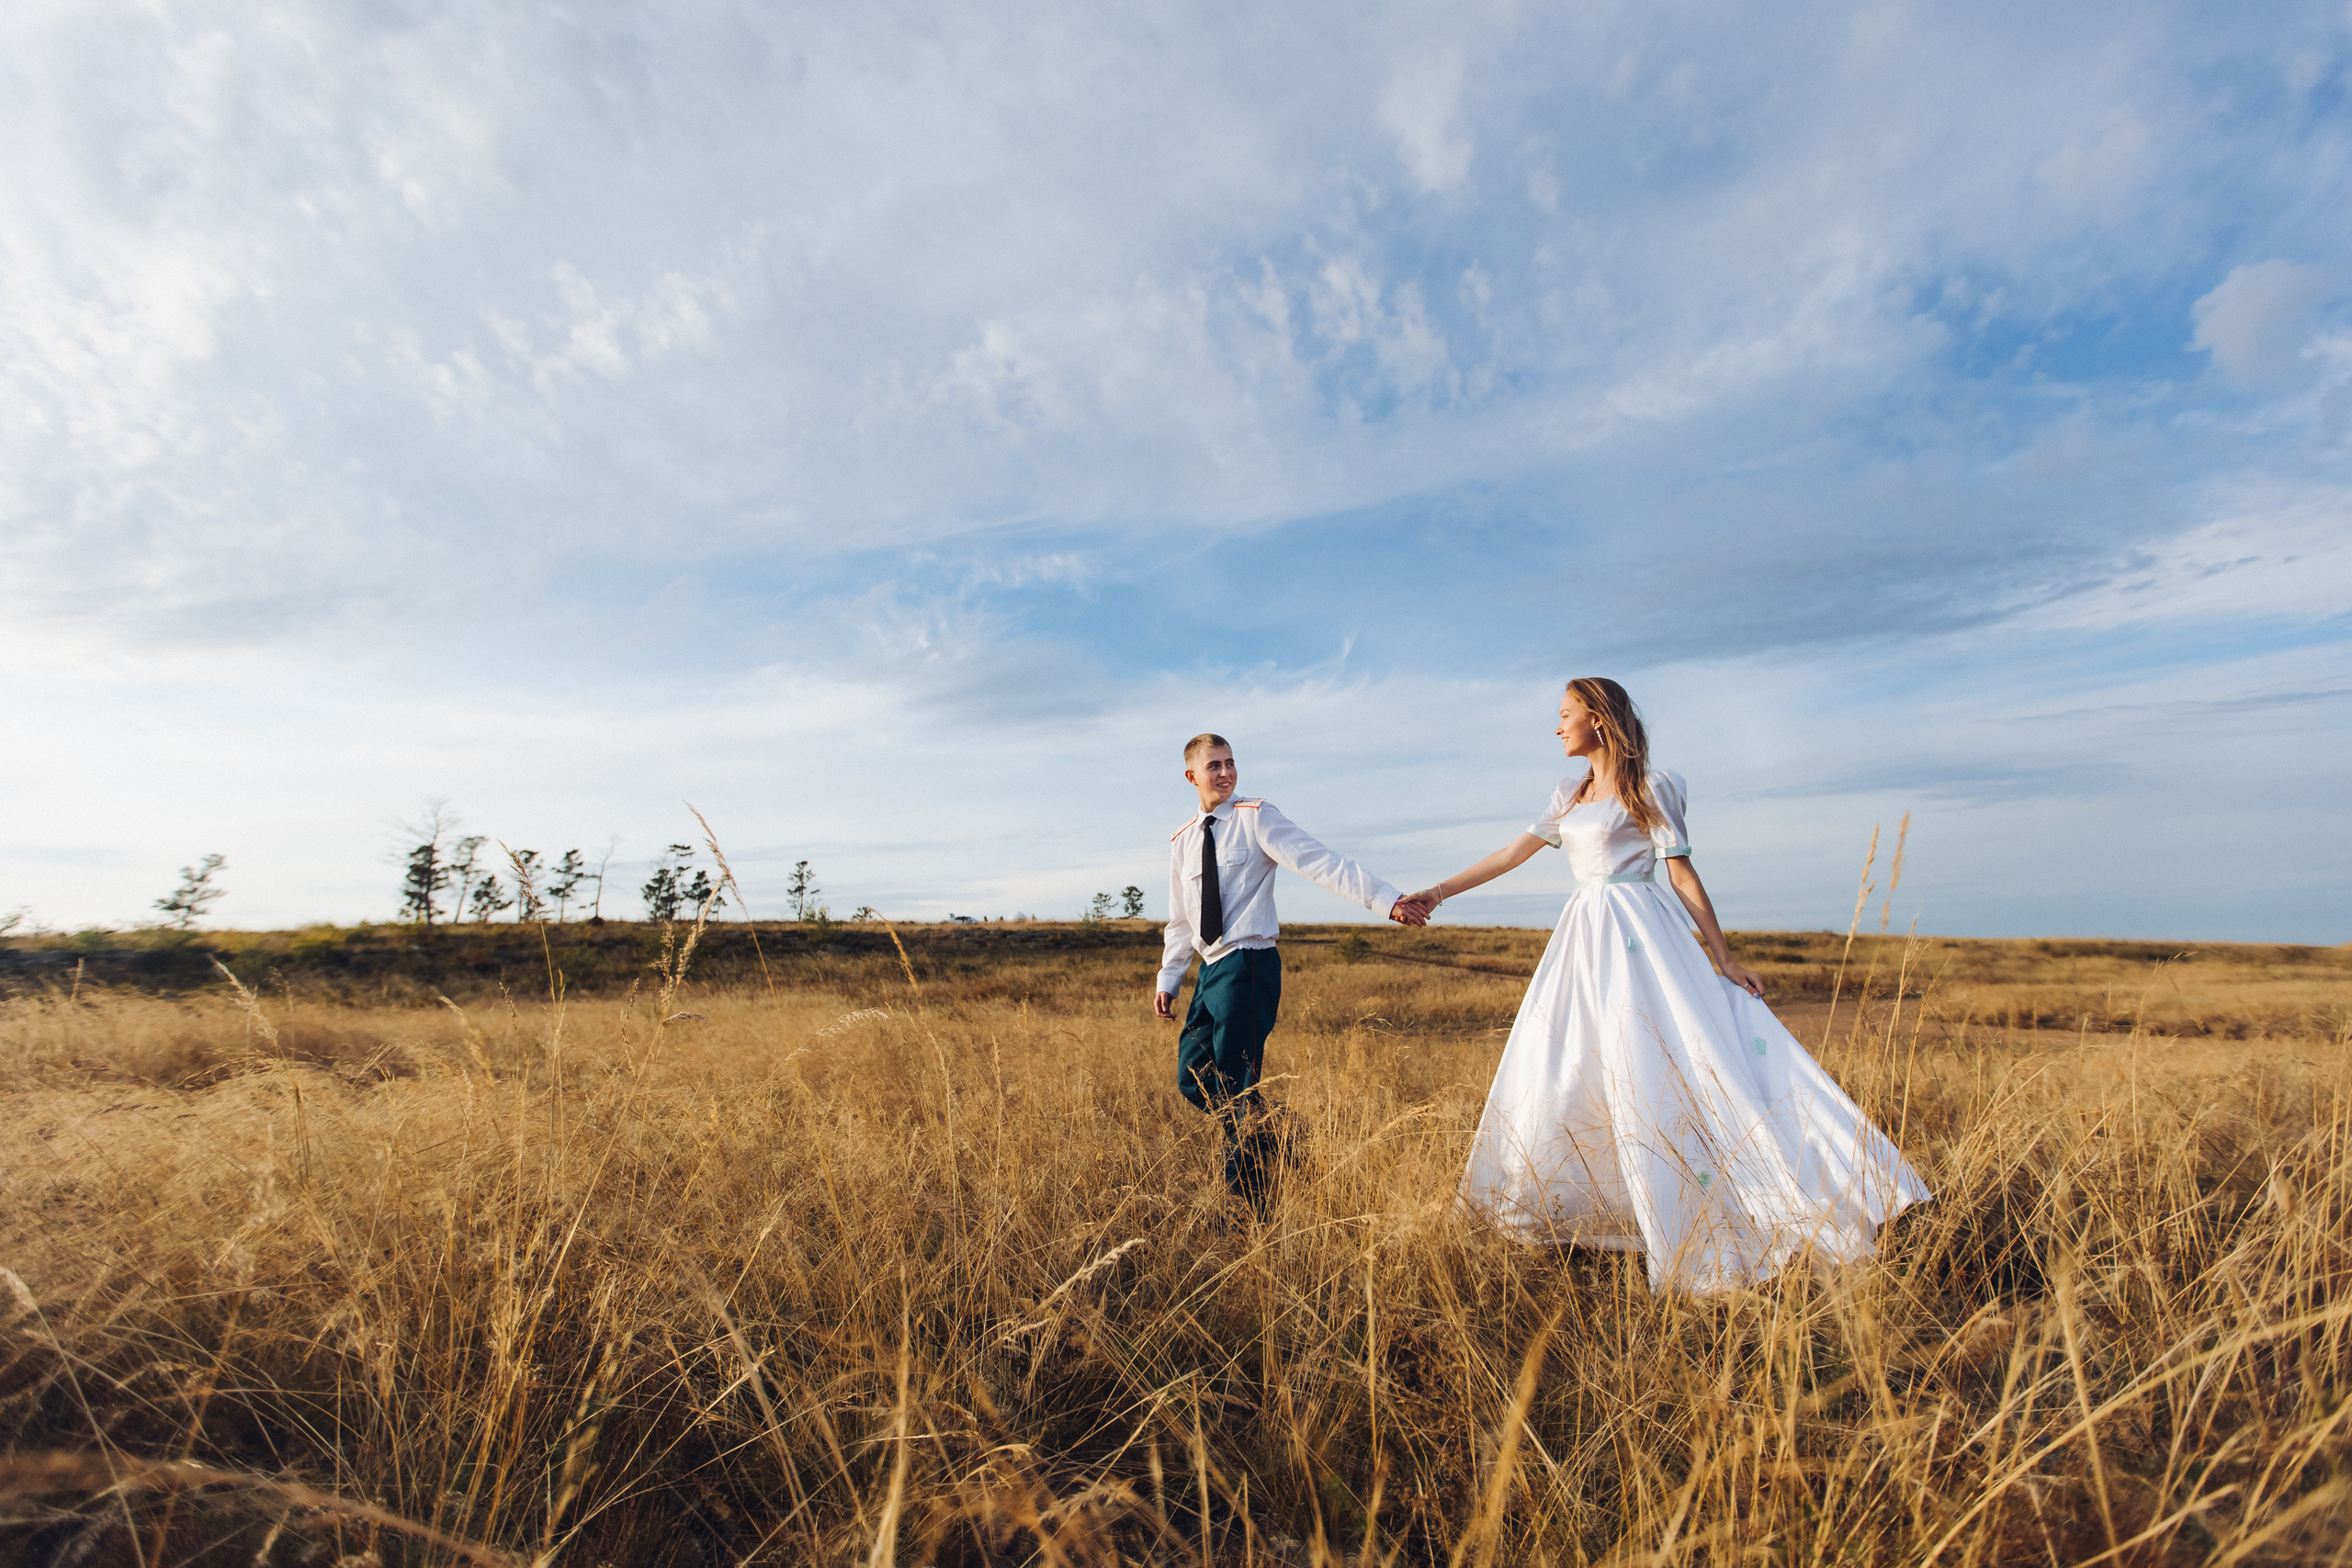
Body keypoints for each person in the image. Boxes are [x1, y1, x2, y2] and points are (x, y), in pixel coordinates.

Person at [1403, 679, 1928, 1292]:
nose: (1557, 727)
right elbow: (1510, 853)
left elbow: (1682, 875)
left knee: (1652, 1063)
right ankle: (1578, 1210)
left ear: (1598, 720)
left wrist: (1723, 958)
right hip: (1582, 941)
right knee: (1566, 1064)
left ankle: (1702, 1213)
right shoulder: (1568, 796)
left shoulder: (1651, 787)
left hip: (1640, 937)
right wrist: (1438, 891)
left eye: (1565, 715)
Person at [1156, 732, 1425, 1214]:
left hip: (1249, 961)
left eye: (1230, 763)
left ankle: (1246, 1211)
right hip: (1210, 968)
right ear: (1191, 776)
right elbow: (1181, 919)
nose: (1225, 773)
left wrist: (1385, 900)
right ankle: (1285, 1133)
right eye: (1214, 766)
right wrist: (1168, 978)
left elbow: (1320, 861)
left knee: (1238, 1083)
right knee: (1192, 1075)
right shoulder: (1183, 841)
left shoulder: (1256, 817)